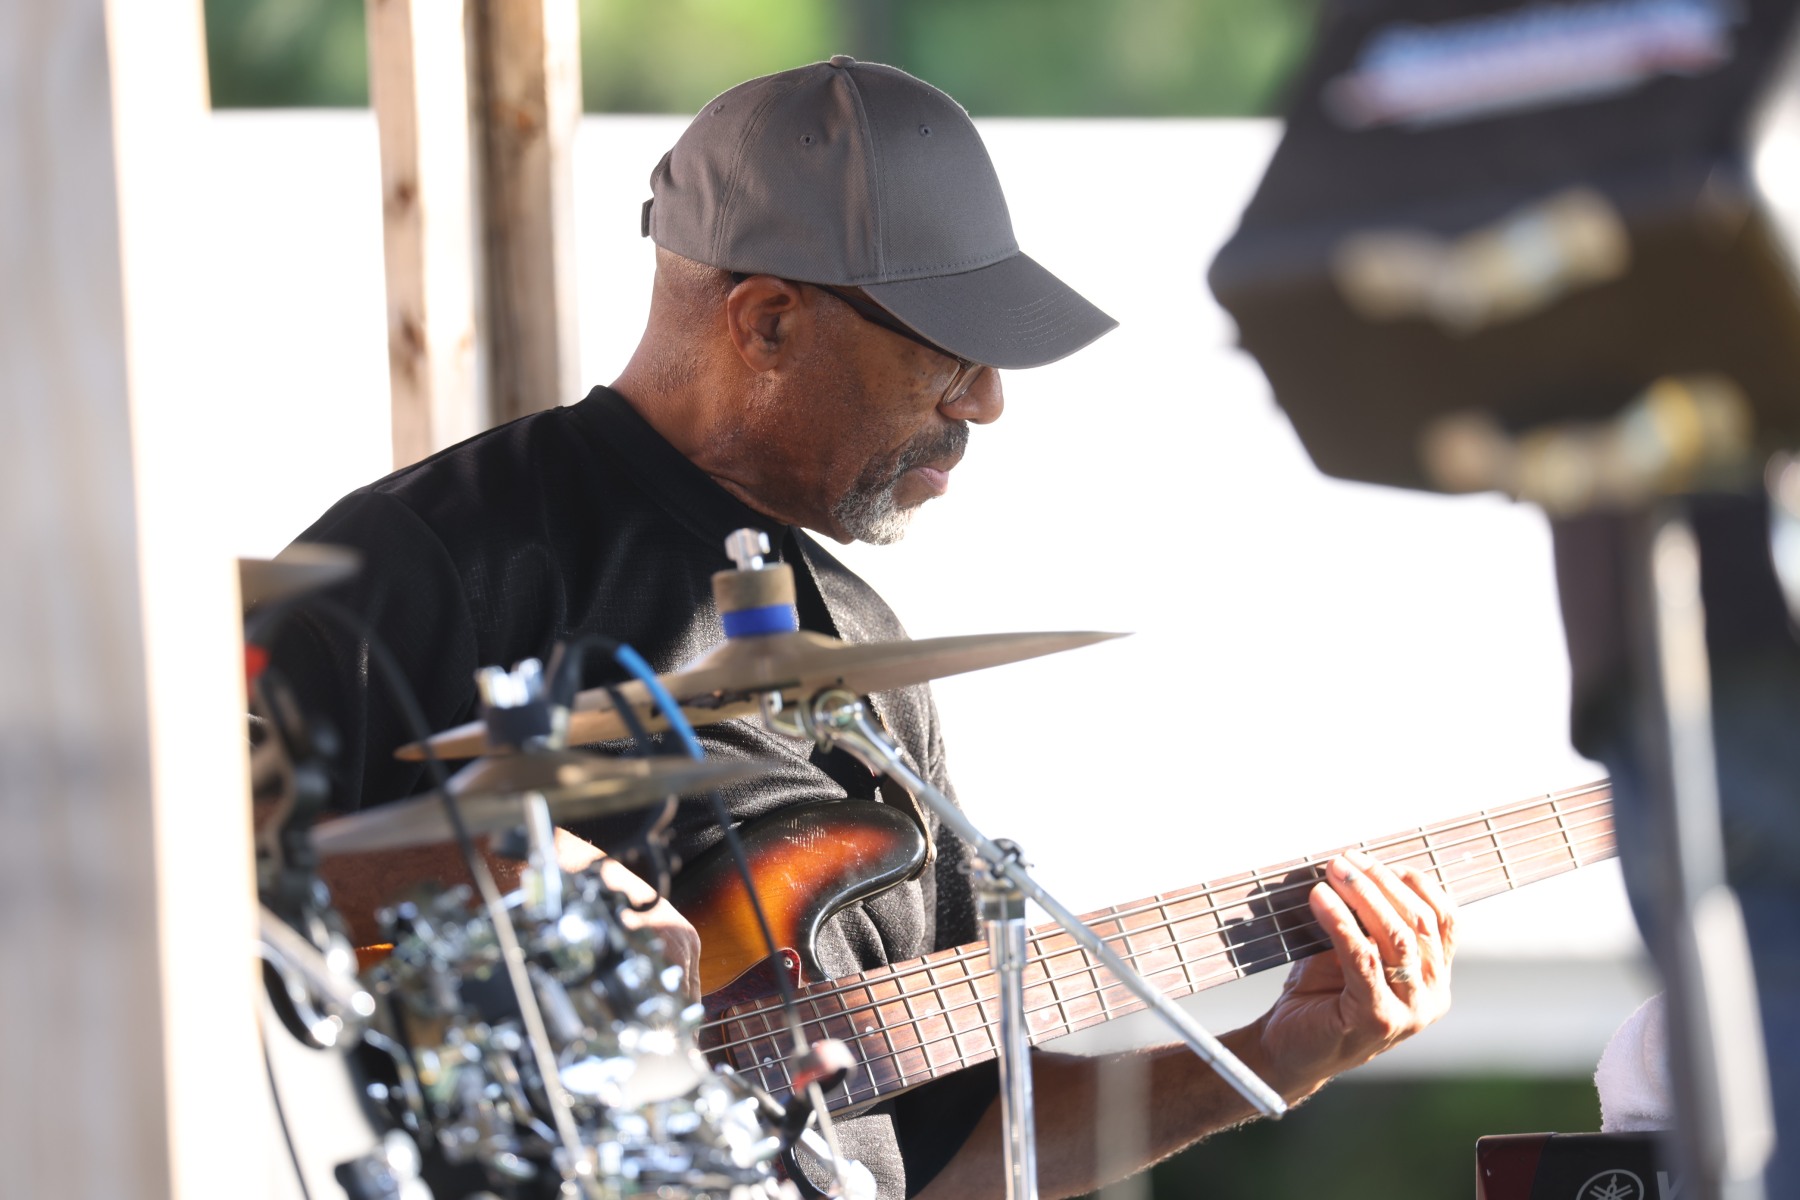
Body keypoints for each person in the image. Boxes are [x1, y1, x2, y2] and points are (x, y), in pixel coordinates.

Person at [276, 57, 1457, 1200]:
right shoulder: (437, 556)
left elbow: (950, 1152)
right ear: (768, 321)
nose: (987, 400)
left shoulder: (866, 650)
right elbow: (185, 871)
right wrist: (492, 876)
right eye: (951, 346)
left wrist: (1273, 1059)